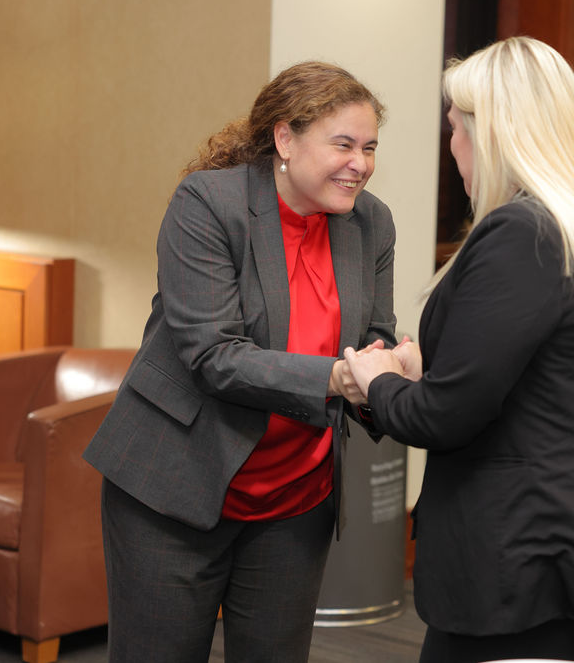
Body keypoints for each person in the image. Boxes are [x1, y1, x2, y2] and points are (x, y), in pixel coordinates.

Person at [343, 36, 574, 663]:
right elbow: (553, 377)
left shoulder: (521, 232)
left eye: (454, 131)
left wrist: (381, 380)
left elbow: (445, 417)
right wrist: (428, 369)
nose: (453, 148)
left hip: (526, 560)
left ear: (487, 135)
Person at [83, 61, 397, 663]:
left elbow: (373, 336)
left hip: (296, 496)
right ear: (284, 139)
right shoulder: (209, 203)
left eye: (370, 147)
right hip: (175, 487)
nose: (361, 164)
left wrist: (393, 366)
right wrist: (340, 376)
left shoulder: (371, 223)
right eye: (344, 145)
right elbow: (214, 356)